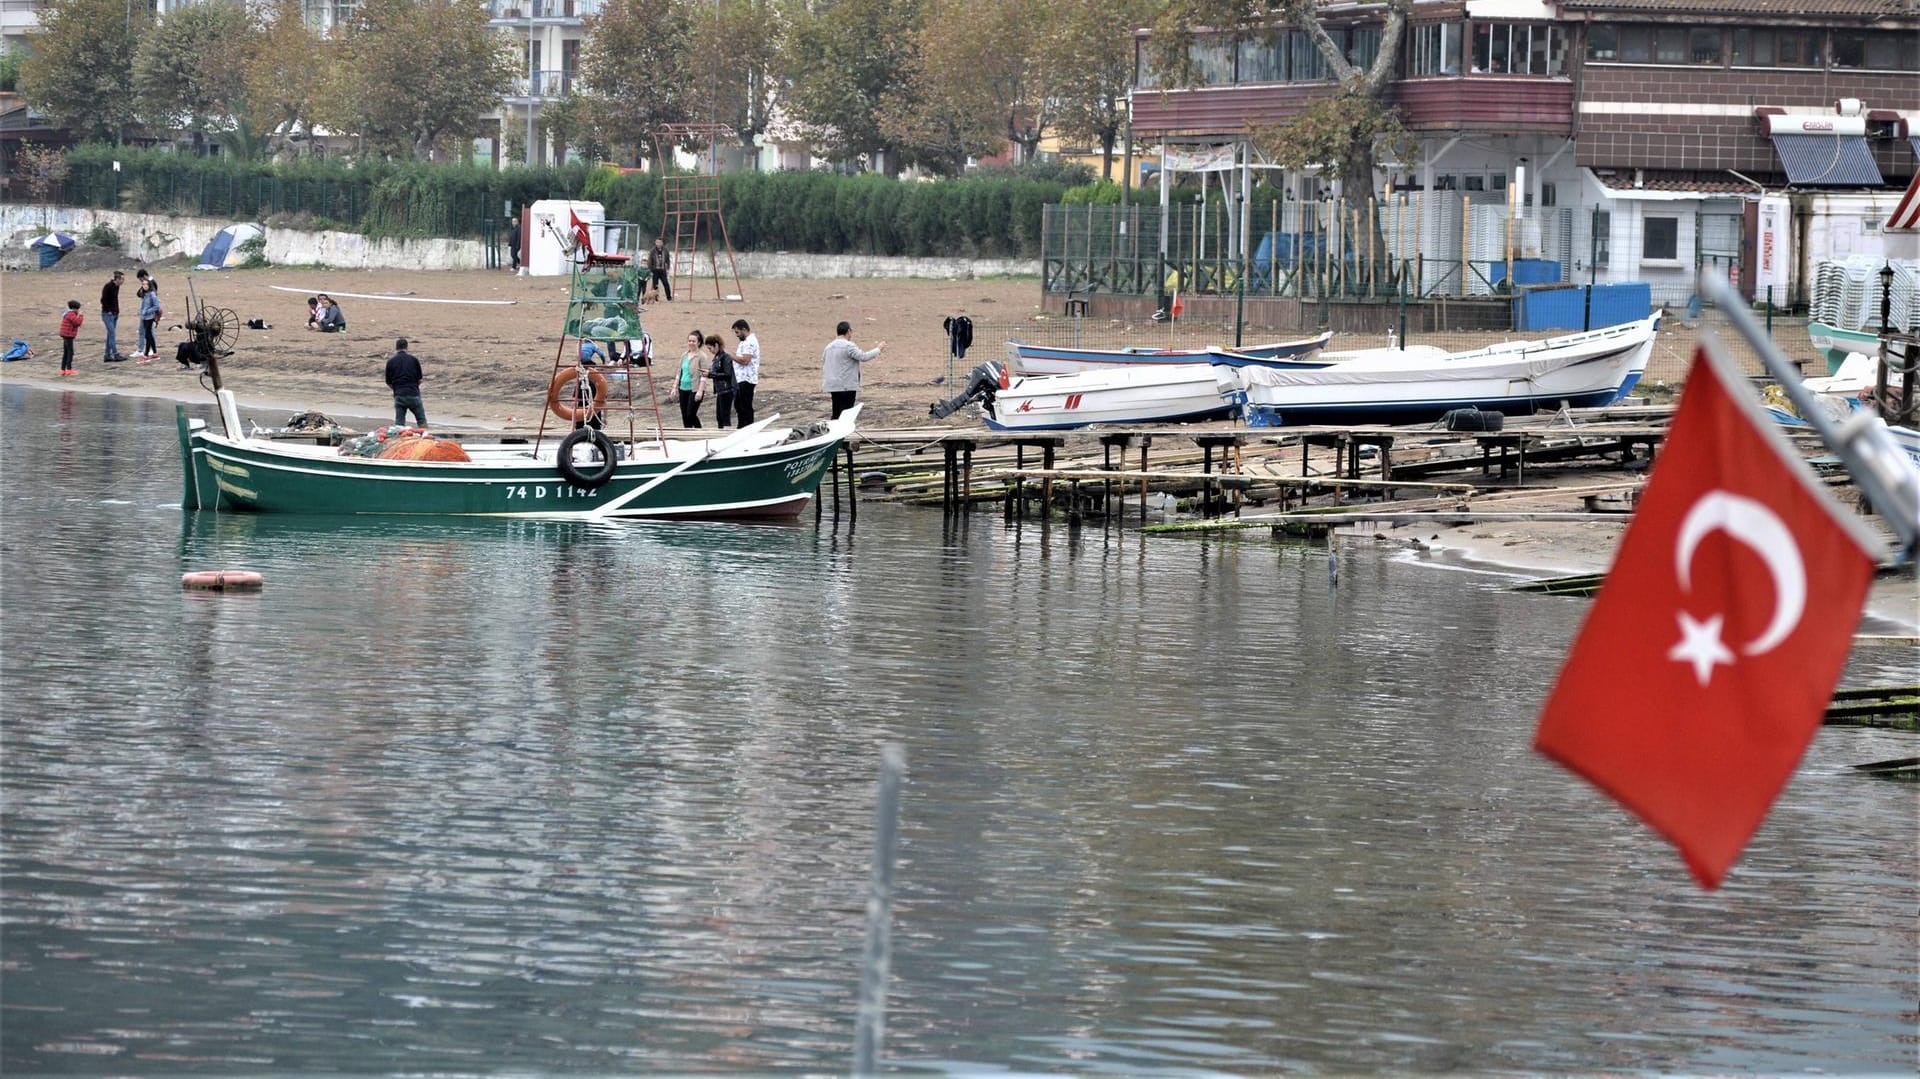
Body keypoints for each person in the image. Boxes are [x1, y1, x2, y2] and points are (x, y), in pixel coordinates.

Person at [821, 321, 886, 419]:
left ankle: (835, 433)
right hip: (846, 385)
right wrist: (878, 349)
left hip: (832, 385)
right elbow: (863, 357)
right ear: (848, 331)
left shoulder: (828, 347)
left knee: (836, 412)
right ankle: (842, 433)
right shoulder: (848, 346)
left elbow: (824, 361)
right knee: (846, 414)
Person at [385, 337, 426, 426]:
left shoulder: (391, 361)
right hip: (413, 394)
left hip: (399, 395)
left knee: (399, 423)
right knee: (421, 420)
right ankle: (425, 437)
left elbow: (388, 382)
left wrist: (396, 389)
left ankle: (399, 438)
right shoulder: (414, 360)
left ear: (396, 348)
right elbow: (420, 379)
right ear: (407, 348)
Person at [730, 319, 760, 425]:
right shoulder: (745, 342)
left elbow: (745, 360)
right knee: (739, 404)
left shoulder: (750, 342)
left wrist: (730, 355)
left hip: (747, 378)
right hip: (741, 378)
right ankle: (742, 426)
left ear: (744, 329)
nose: (737, 335)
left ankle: (747, 427)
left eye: (737, 332)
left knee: (745, 405)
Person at [704, 333, 736, 429]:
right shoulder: (717, 357)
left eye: (710, 348)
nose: (710, 351)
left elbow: (727, 374)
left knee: (724, 417)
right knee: (719, 417)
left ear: (716, 345)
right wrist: (710, 373)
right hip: (721, 390)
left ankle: (726, 436)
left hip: (726, 390)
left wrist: (710, 374)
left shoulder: (725, 357)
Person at [675, 329, 706, 428]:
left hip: (694, 389)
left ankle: (699, 431)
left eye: (693, 341)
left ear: (699, 342)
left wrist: (700, 391)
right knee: (684, 415)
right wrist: (674, 387)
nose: (691, 343)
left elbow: (703, 376)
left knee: (690, 414)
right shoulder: (684, 355)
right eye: (689, 341)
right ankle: (688, 433)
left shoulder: (701, 356)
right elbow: (679, 372)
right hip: (683, 388)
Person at [99, 270, 126, 362]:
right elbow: (103, 300)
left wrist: (116, 311)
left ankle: (107, 354)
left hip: (114, 313)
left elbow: (114, 299)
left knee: (110, 335)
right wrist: (109, 310)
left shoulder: (116, 287)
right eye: (122, 279)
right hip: (108, 314)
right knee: (112, 334)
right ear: (117, 279)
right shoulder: (108, 286)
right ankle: (115, 354)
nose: (123, 281)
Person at [136, 274, 161, 362]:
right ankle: (154, 353)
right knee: (149, 335)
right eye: (143, 284)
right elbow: (138, 294)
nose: (144, 286)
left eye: (146, 284)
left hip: (149, 317)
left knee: (148, 335)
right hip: (144, 317)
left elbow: (156, 306)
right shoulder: (145, 294)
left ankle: (146, 354)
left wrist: (147, 311)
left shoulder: (152, 295)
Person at [58, 300, 82, 377]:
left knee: (65, 352)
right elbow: (78, 323)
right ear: (74, 308)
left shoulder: (67, 313)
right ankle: (69, 369)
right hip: (68, 335)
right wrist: (81, 316)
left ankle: (62, 370)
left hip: (65, 335)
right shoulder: (71, 314)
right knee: (70, 352)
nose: (78, 310)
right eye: (77, 309)